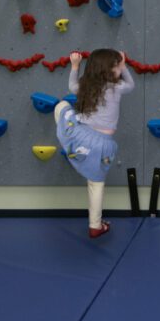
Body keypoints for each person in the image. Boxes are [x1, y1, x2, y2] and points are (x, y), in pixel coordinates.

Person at [55, 49, 134, 238]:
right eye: (116, 66)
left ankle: (70, 144)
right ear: (108, 70)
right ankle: (95, 225)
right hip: (101, 145)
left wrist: (75, 67)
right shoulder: (116, 88)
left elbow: (72, 85)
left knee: (62, 107)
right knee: (96, 184)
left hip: (81, 135)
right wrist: (124, 67)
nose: (118, 69)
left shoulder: (85, 86)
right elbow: (131, 85)